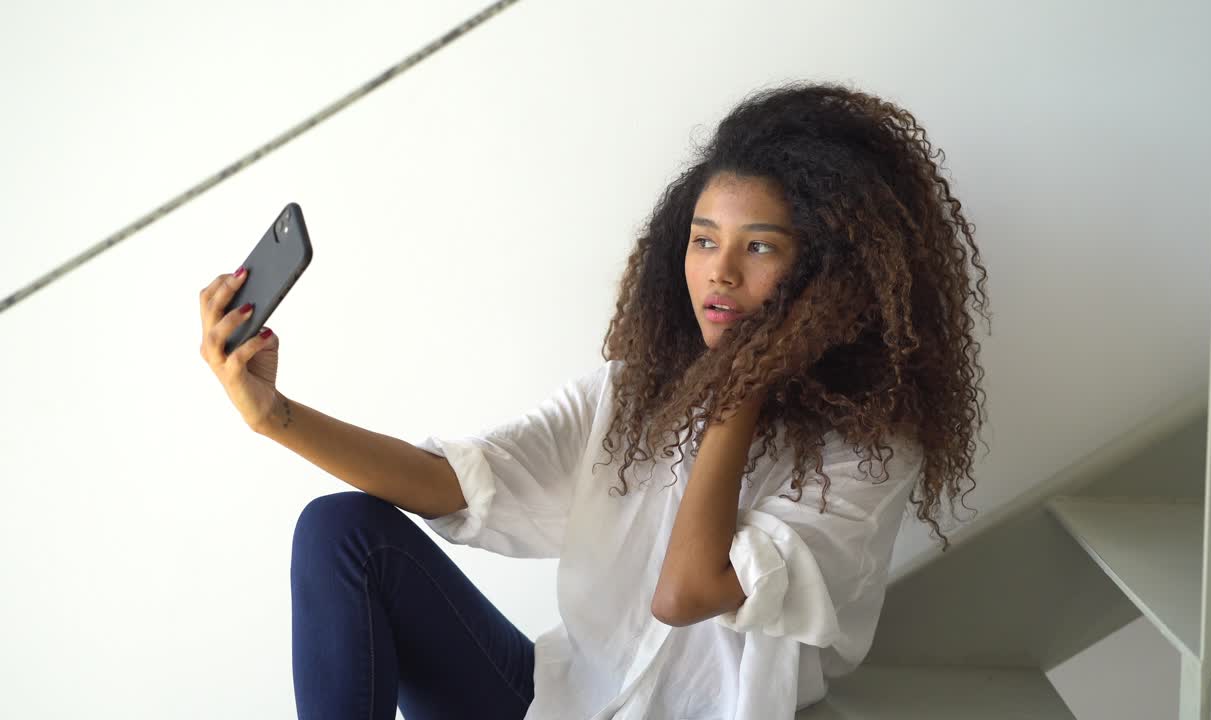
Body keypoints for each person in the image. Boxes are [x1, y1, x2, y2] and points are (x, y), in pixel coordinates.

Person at [198, 79, 991, 719]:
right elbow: (458, 484)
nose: (719, 273)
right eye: (704, 239)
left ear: (830, 274)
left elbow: (688, 593)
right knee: (342, 530)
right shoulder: (636, 392)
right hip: (552, 702)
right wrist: (276, 417)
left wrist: (739, 391)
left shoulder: (869, 456)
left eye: (759, 248)